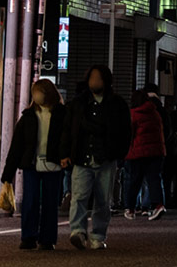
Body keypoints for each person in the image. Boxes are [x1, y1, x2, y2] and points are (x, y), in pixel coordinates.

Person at [64, 65, 131, 251]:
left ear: (106, 81)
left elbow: (126, 131)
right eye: (92, 78)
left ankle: (98, 236)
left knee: (103, 200)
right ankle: (77, 232)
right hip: (82, 156)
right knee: (78, 196)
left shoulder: (116, 104)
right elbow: (68, 129)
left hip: (106, 158)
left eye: (99, 78)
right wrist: (65, 153)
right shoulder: (79, 103)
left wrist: (120, 154)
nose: (95, 82)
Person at [2, 79, 69, 251]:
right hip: (31, 164)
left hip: (53, 164)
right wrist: (7, 176)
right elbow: (17, 146)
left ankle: (47, 239)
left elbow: (67, 139)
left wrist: (66, 157)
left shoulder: (62, 114)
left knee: (50, 203)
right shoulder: (28, 116)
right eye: (35, 93)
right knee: (30, 201)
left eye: (39, 92)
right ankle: (28, 237)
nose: (36, 96)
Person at [123, 87, 167, 220]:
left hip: (137, 152)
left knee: (133, 181)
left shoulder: (133, 114)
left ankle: (130, 208)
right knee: (154, 179)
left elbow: (129, 135)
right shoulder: (155, 113)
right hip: (156, 152)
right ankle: (158, 205)